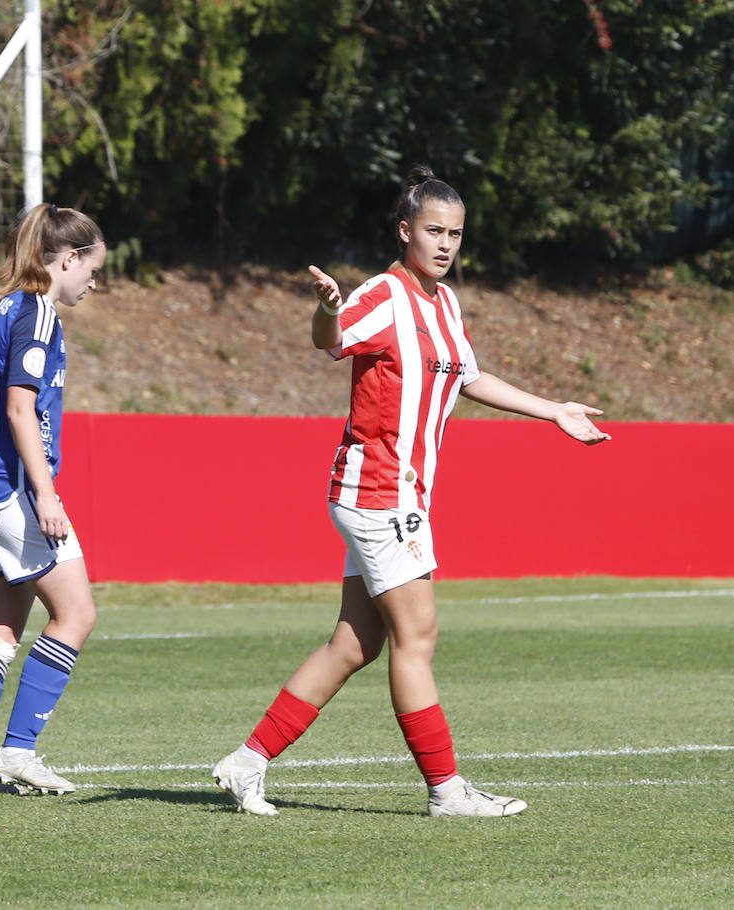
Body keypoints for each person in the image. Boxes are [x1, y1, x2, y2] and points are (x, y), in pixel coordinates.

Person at [211, 166, 610, 817]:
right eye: (434, 230)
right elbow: (332, 340)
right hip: (377, 492)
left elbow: (469, 379)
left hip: (397, 495)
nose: (446, 243)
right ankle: (447, 792)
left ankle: (246, 762)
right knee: (417, 638)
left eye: (455, 233)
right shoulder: (383, 294)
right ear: (405, 231)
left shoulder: (445, 304)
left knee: (354, 644)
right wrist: (326, 309)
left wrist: (553, 410)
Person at [0, 202, 106, 796]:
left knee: (0, 629)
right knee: (76, 613)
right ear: (69, 259)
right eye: (92, 270)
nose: (94, 283)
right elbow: (18, 409)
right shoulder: (36, 313)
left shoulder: (7, 306)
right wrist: (47, 494)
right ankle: (17, 752)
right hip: (13, 490)